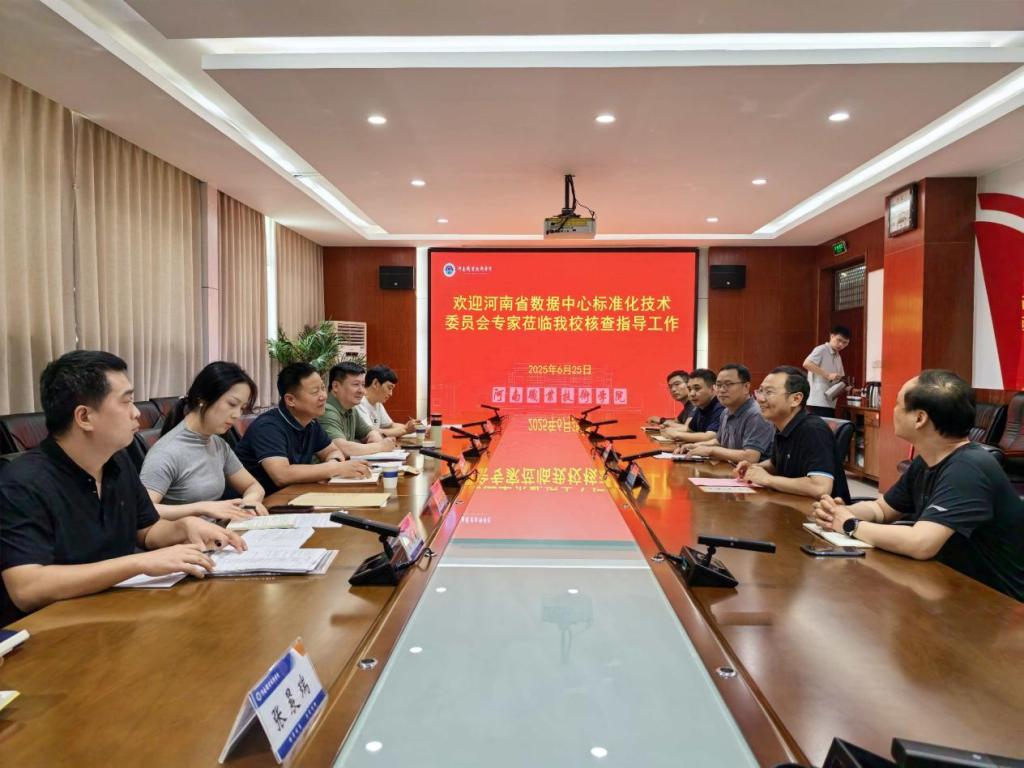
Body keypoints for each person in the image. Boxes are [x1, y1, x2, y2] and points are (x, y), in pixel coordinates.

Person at [0, 351, 246, 624]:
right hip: (52, 628)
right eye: (126, 401)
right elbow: (27, 588)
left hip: (115, 613)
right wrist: (138, 563)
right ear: (84, 417)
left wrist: (184, 527)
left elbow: (147, 531)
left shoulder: (116, 461)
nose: (136, 412)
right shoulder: (23, 481)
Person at [813, 370, 1023, 601]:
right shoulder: (927, 460)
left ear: (919, 418)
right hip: (953, 587)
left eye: (897, 404)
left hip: (1000, 604)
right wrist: (838, 512)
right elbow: (882, 509)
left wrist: (850, 524)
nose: (893, 410)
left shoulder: (968, 468)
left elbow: (921, 543)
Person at [140, 362, 268, 522]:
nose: (237, 415)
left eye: (242, 408)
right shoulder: (165, 452)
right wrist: (201, 508)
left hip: (217, 532)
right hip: (185, 536)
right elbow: (143, 511)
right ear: (202, 398)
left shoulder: (218, 444)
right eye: (232, 404)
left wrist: (249, 502)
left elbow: (253, 486)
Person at [234, 362, 371, 496]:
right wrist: (333, 469)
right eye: (315, 392)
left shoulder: (311, 422)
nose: (323, 396)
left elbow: (333, 451)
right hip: (259, 502)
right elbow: (281, 475)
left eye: (323, 388)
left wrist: (333, 465)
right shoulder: (268, 426)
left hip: (294, 495)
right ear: (290, 400)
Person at [735, 366, 850, 501]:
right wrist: (755, 468)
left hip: (822, 511)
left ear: (796, 399)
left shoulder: (813, 430)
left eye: (769, 392)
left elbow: (820, 487)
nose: (760, 399)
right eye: (760, 391)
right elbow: (776, 464)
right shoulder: (782, 426)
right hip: (791, 504)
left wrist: (767, 479)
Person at [676, 363, 774, 464]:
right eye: (718, 385)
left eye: (728, 384)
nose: (722, 390)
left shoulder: (756, 414)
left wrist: (711, 451)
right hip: (731, 469)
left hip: (753, 472)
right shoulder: (726, 411)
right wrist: (696, 446)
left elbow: (751, 457)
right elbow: (719, 442)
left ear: (746, 387)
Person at [318, 362, 397, 456]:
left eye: (363, 385)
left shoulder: (351, 409)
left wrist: (369, 443)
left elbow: (371, 433)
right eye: (356, 384)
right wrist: (380, 446)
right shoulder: (326, 410)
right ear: (336, 386)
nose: (362, 391)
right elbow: (341, 448)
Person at [661, 368, 724, 444]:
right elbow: (690, 430)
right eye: (690, 389)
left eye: (697, 388)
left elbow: (711, 436)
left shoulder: (721, 406)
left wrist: (677, 434)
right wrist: (668, 430)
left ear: (713, 389)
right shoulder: (700, 406)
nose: (691, 394)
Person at [803, 325, 851, 417]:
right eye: (839, 340)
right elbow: (807, 364)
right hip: (817, 402)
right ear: (832, 336)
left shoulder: (838, 356)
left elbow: (840, 377)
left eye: (845, 343)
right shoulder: (821, 349)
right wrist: (827, 375)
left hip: (830, 402)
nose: (841, 345)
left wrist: (846, 386)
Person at [357, 365, 417, 438]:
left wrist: (416, 427)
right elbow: (371, 433)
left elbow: (390, 425)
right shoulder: (358, 402)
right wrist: (405, 430)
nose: (391, 394)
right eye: (389, 388)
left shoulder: (377, 403)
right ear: (375, 383)